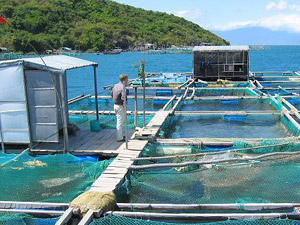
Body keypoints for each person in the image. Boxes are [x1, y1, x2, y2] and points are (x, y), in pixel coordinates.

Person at [111, 74, 128, 142]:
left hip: (115, 105)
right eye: (127, 79)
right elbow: (123, 97)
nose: (128, 80)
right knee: (120, 122)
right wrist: (124, 105)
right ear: (124, 80)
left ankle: (120, 135)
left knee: (119, 121)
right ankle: (119, 138)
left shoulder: (115, 86)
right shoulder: (123, 87)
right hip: (120, 106)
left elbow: (111, 94)